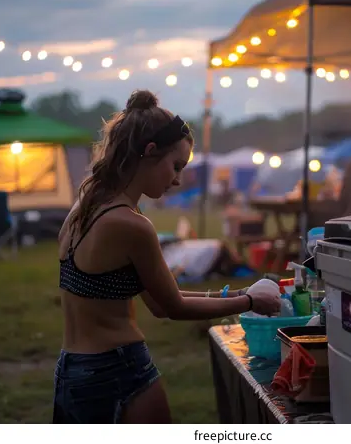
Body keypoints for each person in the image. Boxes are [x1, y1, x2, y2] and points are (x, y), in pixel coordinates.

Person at [53, 89, 280, 424]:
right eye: (175, 166)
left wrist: (235, 295)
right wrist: (249, 303)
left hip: (72, 370)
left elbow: (160, 300)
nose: (177, 180)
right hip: (118, 369)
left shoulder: (83, 209)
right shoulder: (131, 225)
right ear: (149, 152)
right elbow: (172, 308)